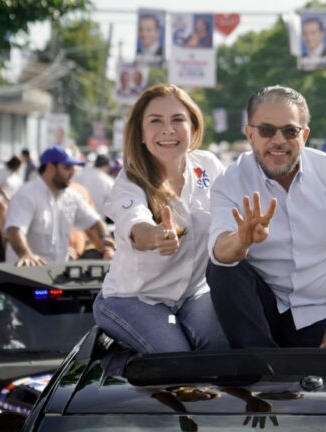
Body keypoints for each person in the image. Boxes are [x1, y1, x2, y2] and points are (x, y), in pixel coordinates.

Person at [207, 85, 326, 349]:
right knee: (223, 269)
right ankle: (262, 367)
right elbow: (219, 252)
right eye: (267, 130)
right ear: (250, 134)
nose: (279, 140)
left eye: (290, 131)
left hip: (324, 314)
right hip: (263, 315)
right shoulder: (229, 181)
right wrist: (241, 240)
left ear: (305, 135)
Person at [93, 84, 229, 354]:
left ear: (193, 127)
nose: (168, 129)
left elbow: (237, 209)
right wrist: (156, 236)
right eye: (156, 121)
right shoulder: (129, 181)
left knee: (225, 349)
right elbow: (136, 225)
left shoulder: (209, 166)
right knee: (175, 357)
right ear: (141, 134)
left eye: (178, 119)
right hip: (134, 298)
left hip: (193, 294)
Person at [4, 145, 116, 266]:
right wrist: (26, 255)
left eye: (73, 167)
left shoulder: (71, 197)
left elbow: (95, 223)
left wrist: (106, 244)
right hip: (24, 276)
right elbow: (15, 230)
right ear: (50, 167)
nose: (73, 172)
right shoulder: (26, 195)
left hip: (56, 275)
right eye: (67, 167)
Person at [74, 154, 115, 219]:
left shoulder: (80, 174)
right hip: (96, 219)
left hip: (78, 217)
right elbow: (113, 202)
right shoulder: (106, 180)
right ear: (105, 166)